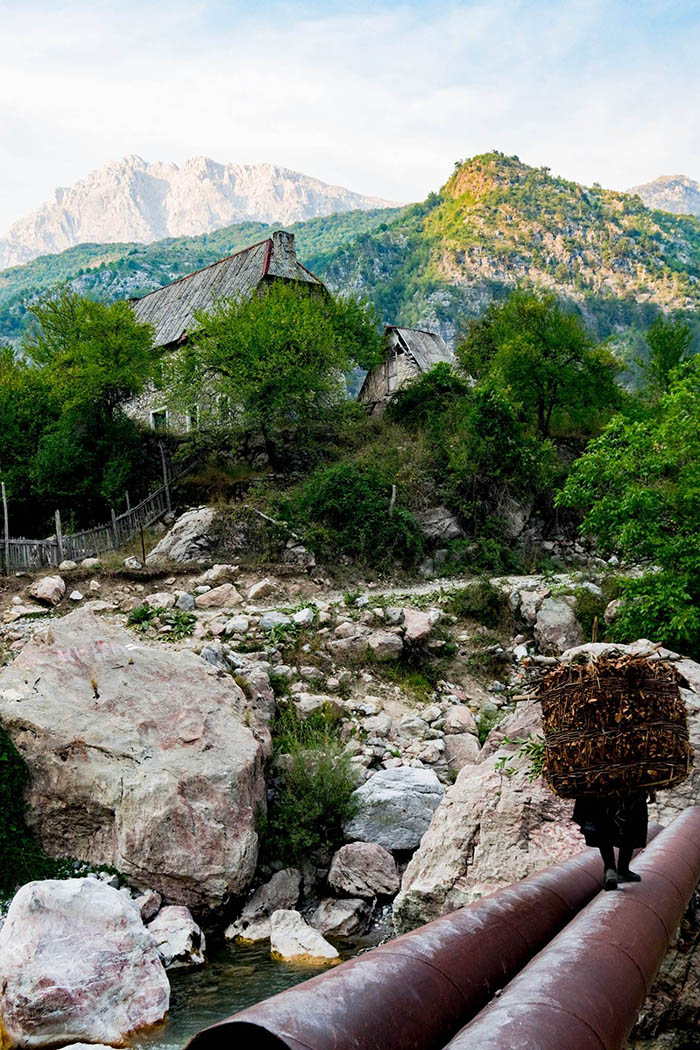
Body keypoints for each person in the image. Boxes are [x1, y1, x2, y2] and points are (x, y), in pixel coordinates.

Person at [573, 790, 648, 890]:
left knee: (603, 826)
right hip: (628, 791)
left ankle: (610, 869)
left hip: (598, 792)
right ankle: (623, 870)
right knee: (630, 825)